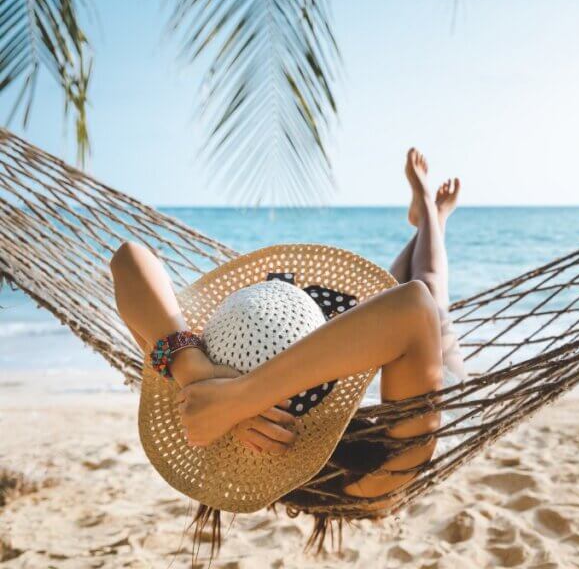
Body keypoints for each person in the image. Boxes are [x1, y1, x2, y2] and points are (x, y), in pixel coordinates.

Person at [109, 148, 461, 498]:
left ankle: (430, 215)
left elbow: (127, 260)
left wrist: (196, 373)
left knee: (392, 286)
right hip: (417, 377)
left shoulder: (197, 407)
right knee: (430, 283)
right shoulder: (380, 473)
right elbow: (416, 305)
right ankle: (432, 215)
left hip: (352, 347)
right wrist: (237, 400)